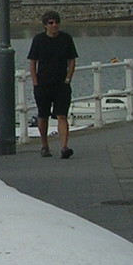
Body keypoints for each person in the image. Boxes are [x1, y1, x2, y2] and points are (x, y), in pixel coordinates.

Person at [27, 10, 78, 159]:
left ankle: (64, 147)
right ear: (45, 25)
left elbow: (72, 60)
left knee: (62, 115)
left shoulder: (66, 39)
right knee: (43, 115)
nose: (54, 25)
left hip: (61, 84)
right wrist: (35, 82)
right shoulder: (38, 40)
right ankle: (45, 146)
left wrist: (68, 79)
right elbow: (32, 62)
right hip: (43, 84)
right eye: (51, 23)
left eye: (56, 22)